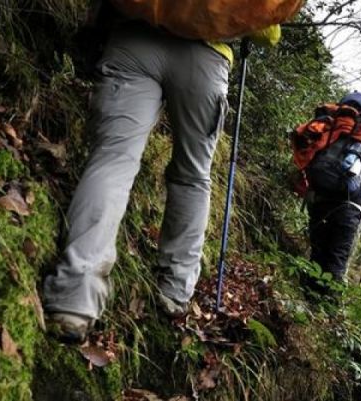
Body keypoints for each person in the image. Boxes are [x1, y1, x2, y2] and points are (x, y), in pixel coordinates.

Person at [43, 1, 286, 342]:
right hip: (205, 61)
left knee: (113, 159)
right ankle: (175, 290)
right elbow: (268, 28)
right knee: (193, 176)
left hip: (135, 39)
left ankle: (73, 301)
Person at [293, 92, 361, 288]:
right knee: (337, 260)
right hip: (348, 209)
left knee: (318, 253)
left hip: (319, 201)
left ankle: (306, 295)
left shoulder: (327, 137)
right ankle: (326, 310)